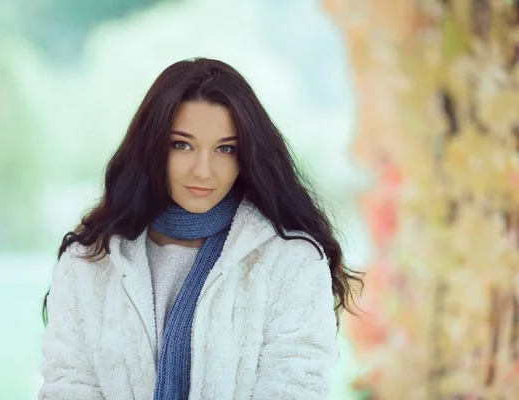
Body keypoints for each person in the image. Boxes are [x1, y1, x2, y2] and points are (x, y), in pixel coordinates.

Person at [38, 57, 363, 400]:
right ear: (151, 146)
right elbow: (67, 386)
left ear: (246, 154)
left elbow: (295, 389)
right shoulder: (90, 261)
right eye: (182, 144)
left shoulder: (289, 261)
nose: (203, 171)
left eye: (225, 148)